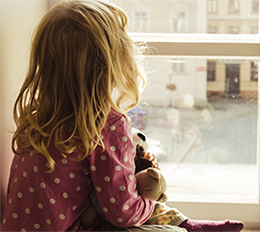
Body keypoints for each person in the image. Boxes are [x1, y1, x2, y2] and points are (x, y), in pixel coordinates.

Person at [0, 1, 244, 232]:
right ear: (110, 66)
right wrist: (152, 199)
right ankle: (185, 226)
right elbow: (123, 212)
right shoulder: (108, 125)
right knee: (142, 211)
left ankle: (186, 224)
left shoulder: (37, 116)